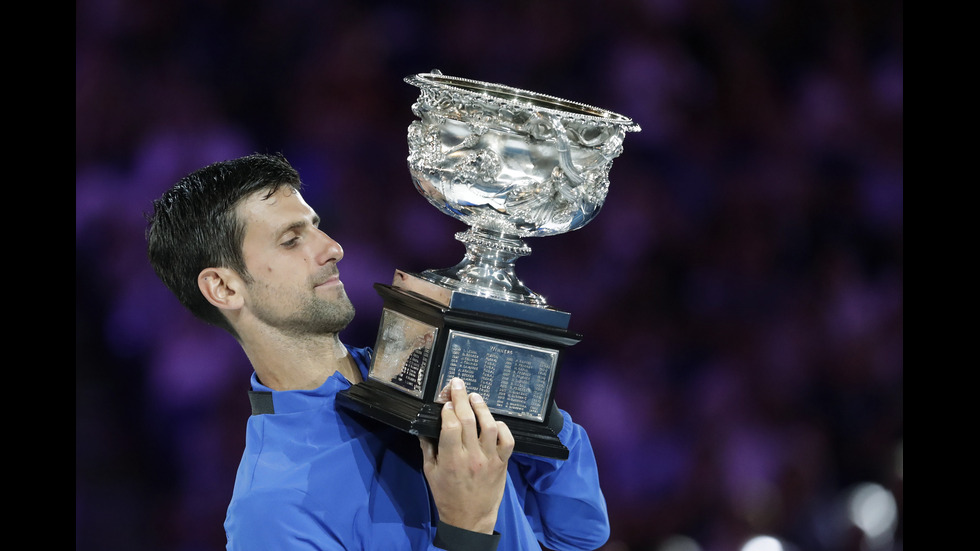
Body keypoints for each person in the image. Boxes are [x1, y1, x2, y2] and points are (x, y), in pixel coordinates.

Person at [145, 152, 610, 551]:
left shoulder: (428, 374)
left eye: (317, 227)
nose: (332, 248)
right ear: (223, 287)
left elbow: (578, 533)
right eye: (291, 240)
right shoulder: (270, 511)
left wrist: (524, 397)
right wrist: (466, 528)